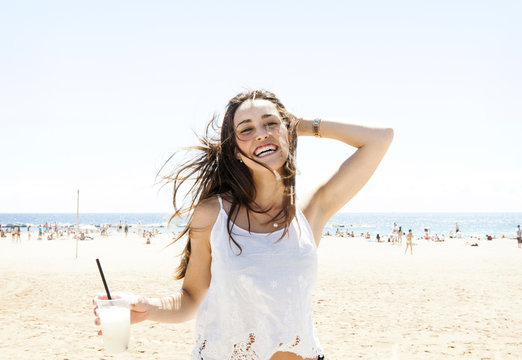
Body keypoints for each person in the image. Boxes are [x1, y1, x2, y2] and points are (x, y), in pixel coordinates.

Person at [92, 89, 393, 359]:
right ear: (236, 150)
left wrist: (299, 125)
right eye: (246, 129)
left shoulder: (310, 211)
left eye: (270, 123)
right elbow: (192, 297)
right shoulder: (213, 214)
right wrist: (146, 306)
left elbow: (380, 138)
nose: (261, 134)